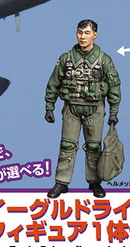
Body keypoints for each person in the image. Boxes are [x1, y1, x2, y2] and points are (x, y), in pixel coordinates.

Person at [44, 19, 121, 199]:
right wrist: (49, 106)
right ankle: (61, 182)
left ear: (95, 35)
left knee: (94, 147)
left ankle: (94, 182)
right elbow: (54, 83)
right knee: (67, 145)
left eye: (87, 33)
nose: (82, 37)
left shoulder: (104, 60)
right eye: (80, 32)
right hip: (71, 108)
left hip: (94, 109)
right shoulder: (66, 58)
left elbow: (114, 86)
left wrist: (114, 111)